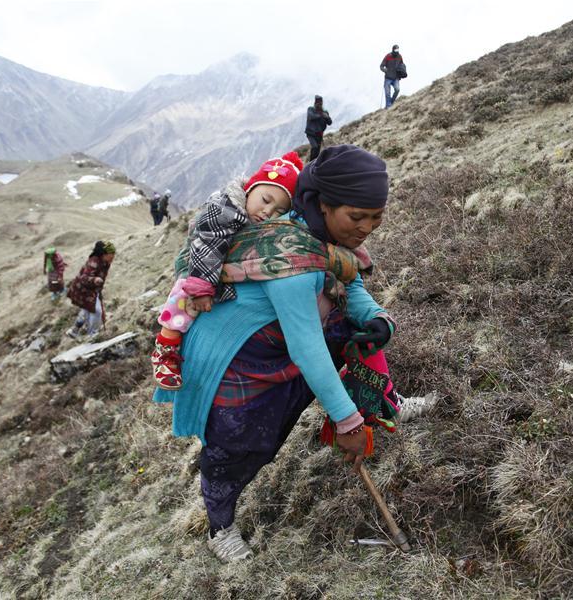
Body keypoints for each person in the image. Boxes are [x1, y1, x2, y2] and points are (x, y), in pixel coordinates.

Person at [154, 145, 420, 563]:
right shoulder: (291, 259)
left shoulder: (319, 237)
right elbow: (307, 345)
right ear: (322, 205)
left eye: (376, 218)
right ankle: (219, 526)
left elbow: (348, 280)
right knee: (239, 448)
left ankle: (383, 402)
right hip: (238, 363)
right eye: (357, 217)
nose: (367, 228)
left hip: (281, 345)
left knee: (353, 329)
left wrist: (375, 317)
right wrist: (346, 422)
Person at [151, 152, 304, 390]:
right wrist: (201, 286)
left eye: (278, 210)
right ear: (250, 188)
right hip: (199, 260)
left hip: (219, 266)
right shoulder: (226, 208)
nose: (268, 212)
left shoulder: (257, 219)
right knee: (183, 295)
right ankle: (165, 351)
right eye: (265, 199)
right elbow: (208, 245)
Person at [66, 241, 116, 340]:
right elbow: (84, 278)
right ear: (104, 254)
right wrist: (95, 280)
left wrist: (98, 288)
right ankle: (92, 334)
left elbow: (102, 277)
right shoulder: (94, 261)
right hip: (82, 289)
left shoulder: (106, 263)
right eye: (111, 255)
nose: (113, 257)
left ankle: (74, 330)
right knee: (96, 311)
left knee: (87, 309)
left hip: (92, 289)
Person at [305, 95, 332, 161]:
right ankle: (310, 163)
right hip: (311, 133)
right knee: (314, 147)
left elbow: (330, 122)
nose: (319, 105)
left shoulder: (325, 112)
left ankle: (314, 163)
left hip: (319, 135)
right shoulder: (310, 109)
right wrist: (321, 115)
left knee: (317, 151)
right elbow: (311, 116)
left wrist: (327, 117)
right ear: (315, 103)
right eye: (318, 103)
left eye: (320, 103)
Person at [380, 44, 407, 108]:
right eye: (395, 49)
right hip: (388, 78)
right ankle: (388, 107)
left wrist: (402, 71)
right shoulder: (388, 56)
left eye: (398, 49)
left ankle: (391, 102)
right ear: (393, 49)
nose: (397, 50)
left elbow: (401, 64)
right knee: (387, 93)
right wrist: (385, 70)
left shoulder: (399, 56)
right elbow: (381, 66)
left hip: (396, 78)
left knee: (397, 90)